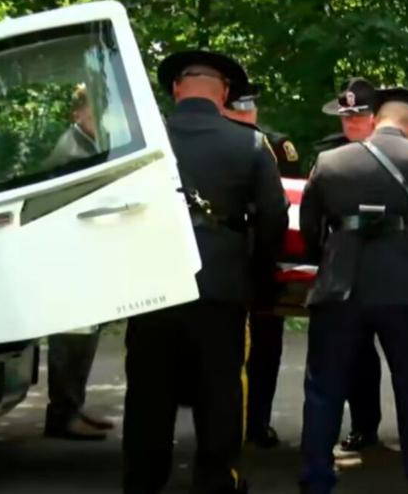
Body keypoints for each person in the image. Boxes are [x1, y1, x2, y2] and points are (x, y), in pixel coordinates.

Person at [122, 50, 288, 494]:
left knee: (148, 392)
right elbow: (274, 218)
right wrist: (255, 273)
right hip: (221, 284)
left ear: (177, 88)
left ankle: (142, 482)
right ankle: (216, 482)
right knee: (220, 391)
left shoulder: (138, 143)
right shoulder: (250, 143)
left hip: (152, 284)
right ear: (226, 93)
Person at [299, 86, 408, 494]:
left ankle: (316, 479)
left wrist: (330, 259)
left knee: (324, 390)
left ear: (377, 117)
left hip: (341, 285)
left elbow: (311, 229)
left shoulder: (330, 162)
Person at [223, 82, 300, 448]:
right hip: (236, 256)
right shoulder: (222, 142)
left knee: (265, 347)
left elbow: (286, 202)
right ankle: (233, 423)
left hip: (262, 259)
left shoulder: (276, 144)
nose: (244, 112)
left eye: (247, 107)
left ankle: (256, 421)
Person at [314, 77, 384, 452]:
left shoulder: (405, 151)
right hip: (344, 266)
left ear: (376, 117)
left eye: (359, 116)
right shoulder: (328, 156)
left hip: (394, 267)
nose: (351, 123)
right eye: (346, 117)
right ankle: (364, 425)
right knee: (355, 354)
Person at [43, 84, 112, 441]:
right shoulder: (73, 151)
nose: (99, 117)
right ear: (77, 114)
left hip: (79, 255)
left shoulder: (85, 144)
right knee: (71, 336)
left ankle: (72, 408)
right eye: (92, 110)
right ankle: (63, 416)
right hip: (69, 258)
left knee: (81, 337)